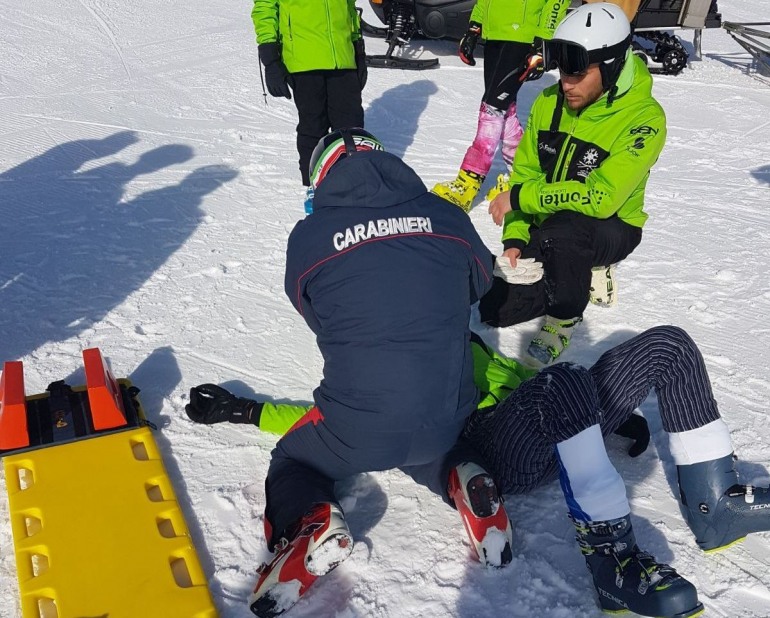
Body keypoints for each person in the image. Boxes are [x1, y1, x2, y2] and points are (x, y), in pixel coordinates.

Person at [188, 325, 770, 618]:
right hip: (490, 446)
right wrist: (242, 410)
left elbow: (522, 386)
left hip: (545, 419)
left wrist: (612, 422)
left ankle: (713, 507)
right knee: (561, 381)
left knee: (667, 346)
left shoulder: (466, 339)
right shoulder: (390, 355)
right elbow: (332, 416)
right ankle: (611, 563)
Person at [200, 127, 523, 617]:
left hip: (357, 425)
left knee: (294, 462)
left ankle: (312, 520)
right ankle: (463, 476)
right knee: (430, 443)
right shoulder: (449, 216)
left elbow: (315, 312)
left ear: (320, 182)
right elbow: (477, 283)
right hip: (446, 413)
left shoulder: (309, 237)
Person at [480, 2, 667, 367]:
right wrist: (516, 239)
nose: (566, 84)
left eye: (578, 74)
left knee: (565, 233)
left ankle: (565, 316)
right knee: (496, 308)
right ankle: (571, 270)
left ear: (612, 66)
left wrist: (519, 199)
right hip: (552, 219)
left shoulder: (645, 119)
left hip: (611, 226)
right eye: (562, 71)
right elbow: (527, 174)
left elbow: (600, 198)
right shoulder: (550, 103)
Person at [431, 0, 571, 212]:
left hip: (523, 36)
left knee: (492, 108)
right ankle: (522, 175)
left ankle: (469, 181)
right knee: (504, 109)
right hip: (495, 32)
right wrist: (474, 26)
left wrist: (544, 37)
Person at [251, 0, 368, 200]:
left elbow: (349, 7)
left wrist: (357, 48)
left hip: (342, 55)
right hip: (303, 58)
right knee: (313, 125)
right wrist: (270, 58)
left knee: (352, 126)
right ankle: (314, 187)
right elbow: (265, 7)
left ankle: (356, 184)